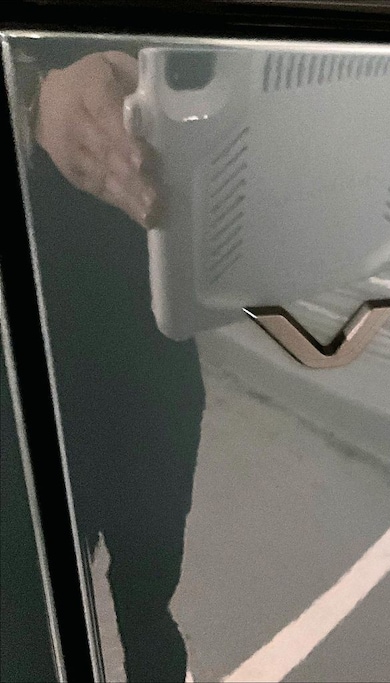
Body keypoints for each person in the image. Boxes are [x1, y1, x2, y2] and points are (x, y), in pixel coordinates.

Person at [12, 43, 204, 682]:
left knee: (150, 595)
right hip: (28, 348)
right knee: (27, 617)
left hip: (149, 328)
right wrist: (37, 98)